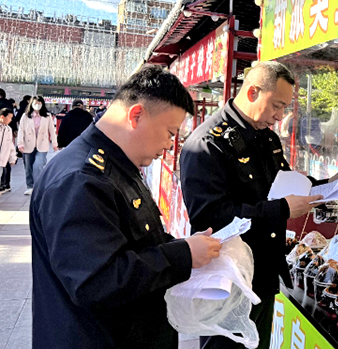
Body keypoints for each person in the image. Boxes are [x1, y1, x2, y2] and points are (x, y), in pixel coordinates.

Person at [29, 65, 223, 349]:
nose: (170, 144)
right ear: (136, 115)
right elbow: (97, 281)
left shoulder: (117, 165)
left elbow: (136, 244)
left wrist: (187, 248)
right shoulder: (80, 179)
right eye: (169, 132)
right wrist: (183, 255)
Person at [180, 61, 338, 349]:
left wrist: (327, 184)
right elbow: (210, 218)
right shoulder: (207, 144)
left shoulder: (266, 137)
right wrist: (281, 210)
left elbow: (284, 184)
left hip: (263, 274)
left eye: (285, 108)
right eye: (277, 105)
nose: (280, 116)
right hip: (228, 282)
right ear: (252, 92)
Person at [17, 96, 58, 195]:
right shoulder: (25, 116)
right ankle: (30, 186)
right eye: (35, 103)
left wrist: (54, 143)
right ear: (31, 104)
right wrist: (20, 143)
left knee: (38, 165)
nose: (37, 105)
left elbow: (52, 130)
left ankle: (38, 185)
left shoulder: (47, 116)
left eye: (39, 103)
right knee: (28, 167)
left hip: (42, 145)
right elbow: (21, 130)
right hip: (27, 144)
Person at [0, 108, 16, 194]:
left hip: (2, 159)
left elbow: (10, 145)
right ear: (2, 117)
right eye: (9, 118)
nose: (10, 120)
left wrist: (12, 158)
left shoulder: (8, 129)